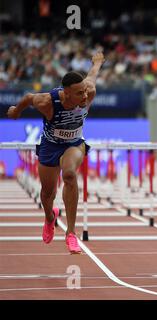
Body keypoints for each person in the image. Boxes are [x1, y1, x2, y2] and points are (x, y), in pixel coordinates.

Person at [7, 52, 105, 254]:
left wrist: (97, 62)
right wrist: (16, 112)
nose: (85, 97)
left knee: (69, 174)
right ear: (66, 93)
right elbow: (28, 98)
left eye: (85, 92)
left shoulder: (89, 90)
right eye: (79, 94)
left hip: (74, 144)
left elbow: (93, 74)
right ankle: (50, 217)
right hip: (50, 146)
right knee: (47, 193)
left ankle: (70, 233)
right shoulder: (48, 102)